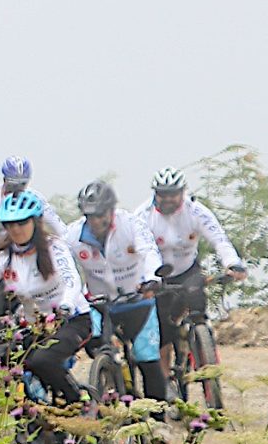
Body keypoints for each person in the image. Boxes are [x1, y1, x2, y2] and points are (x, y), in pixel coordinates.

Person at [0, 192, 92, 404]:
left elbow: (72, 281)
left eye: (21, 222)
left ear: (35, 222)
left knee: (41, 360)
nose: (16, 229)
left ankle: (79, 402)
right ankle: (34, 410)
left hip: (71, 320)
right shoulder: (3, 257)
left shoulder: (55, 247)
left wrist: (65, 306)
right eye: (10, 224)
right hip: (33, 327)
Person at [71, 181, 166, 403]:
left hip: (137, 301)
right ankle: (112, 382)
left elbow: (149, 250)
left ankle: (158, 418)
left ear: (112, 210)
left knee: (147, 358)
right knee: (95, 345)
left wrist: (153, 278)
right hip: (99, 305)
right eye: (89, 216)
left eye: (100, 214)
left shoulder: (132, 224)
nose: (95, 221)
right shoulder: (74, 234)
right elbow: (60, 261)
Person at [141, 168, 247, 347]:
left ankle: (205, 355)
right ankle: (164, 373)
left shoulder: (196, 211)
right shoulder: (143, 215)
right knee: (163, 333)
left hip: (188, 271)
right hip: (157, 276)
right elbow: (138, 250)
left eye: (173, 194)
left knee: (197, 307)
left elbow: (219, 239)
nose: (167, 199)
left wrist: (233, 263)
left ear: (183, 192)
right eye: (162, 194)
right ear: (155, 193)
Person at [0, 156, 58, 259]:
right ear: (4, 179)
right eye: (12, 184)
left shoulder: (35, 197)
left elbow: (56, 224)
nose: (17, 189)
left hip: (25, 247)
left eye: (22, 184)